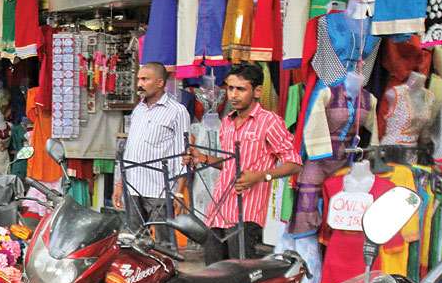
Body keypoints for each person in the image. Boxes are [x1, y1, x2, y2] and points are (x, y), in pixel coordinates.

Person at [185, 63, 302, 264]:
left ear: (257, 91)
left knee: (239, 274)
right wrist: (203, 158)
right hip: (218, 209)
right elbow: (231, 164)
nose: (233, 95)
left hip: (246, 212)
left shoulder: (269, 121)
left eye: (240, 89)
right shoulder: (228, 123)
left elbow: (295, 163)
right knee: (213, 272)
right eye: (230, 88)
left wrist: (260, 176)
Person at [113, 63, 193, 247]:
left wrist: (179, 193)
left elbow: (184, 153)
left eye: (145, 79)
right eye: (139, 79)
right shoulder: (138, 109)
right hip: (133, 186)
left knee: (164, 245)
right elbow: (129, 149)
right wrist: (119, 183)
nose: (139, 84)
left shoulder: (177, 111)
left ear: (159, 83)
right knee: (134, 242)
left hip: (160, 189)